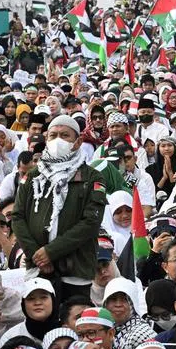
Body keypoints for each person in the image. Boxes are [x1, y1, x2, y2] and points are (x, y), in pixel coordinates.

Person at [11, 115, 107, 300]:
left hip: (75, 269)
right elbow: (17, 217)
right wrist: (37, 255)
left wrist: (51, 252)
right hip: (38, 268)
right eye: (53, 135)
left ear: (78, 142)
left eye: (65, 136)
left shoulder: (92, 177)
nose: (58, 140)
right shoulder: (33, 176)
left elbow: (91, 222)